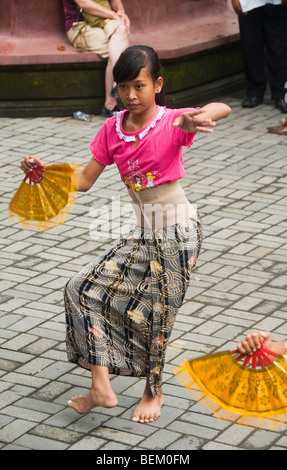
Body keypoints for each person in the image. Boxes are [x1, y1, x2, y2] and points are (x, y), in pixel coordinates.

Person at [21, 45, 231, 423]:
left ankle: (155, 393)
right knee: (81, 289)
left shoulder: (170, 121)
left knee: (157, 315)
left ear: (157, 84)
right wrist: (44, 172)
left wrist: (195, 119)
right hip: (142, 234)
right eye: (123, 87)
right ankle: (101, 387)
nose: (131, 95)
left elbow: (222, 108)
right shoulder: (112, 128)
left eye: (139, 86)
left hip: (178, 234)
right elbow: (83, 181)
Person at [61, 0, 130, 117]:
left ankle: (111, 101)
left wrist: (121, 12)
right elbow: (84, 4)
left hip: (104, 22)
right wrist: (113, 15)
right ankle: (113, 98)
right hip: (79, 26)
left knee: (120, 35)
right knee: (117, 47)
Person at [231, 0, 287, 113]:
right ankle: (254, 92)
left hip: (277, 4)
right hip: (248, 4)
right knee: (251, 47)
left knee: (279, 48)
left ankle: (280, 94)